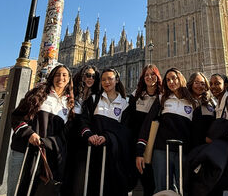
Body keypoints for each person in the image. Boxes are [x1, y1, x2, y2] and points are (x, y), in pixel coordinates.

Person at [9, 65, 74, 196]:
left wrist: (49, 143)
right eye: (57, 74)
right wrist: (30, 133)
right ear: (52, 77)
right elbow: (16, 117)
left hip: (46, 155)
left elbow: (64, 134)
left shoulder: (69, 104)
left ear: (69, 79)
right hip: (24, 149)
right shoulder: (39, 93)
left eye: (64, 75)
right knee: (16, 189)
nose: (60, 78)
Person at [136, 67, 197, 193]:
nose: (171, 82)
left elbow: (196, 131)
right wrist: (140, 151)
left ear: (180, 78)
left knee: (183, 188)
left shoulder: (192, 102)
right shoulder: (162, 99)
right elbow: (147, 125)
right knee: (162, 189)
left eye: (173, 78)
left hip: (183, 152)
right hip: (162, 151)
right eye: (168, 80)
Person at [80, 68, 133, 196]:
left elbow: (126, 130)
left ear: (117, 80)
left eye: (110, 78)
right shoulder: (94, 100)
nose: (106, 82)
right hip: (93, 151)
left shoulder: (125, 104)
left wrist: (108, 137)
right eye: (103, 79)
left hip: (114, 154)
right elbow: (83, 120)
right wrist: (89, 134)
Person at [62, 65, 100, 196]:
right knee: (66, 169)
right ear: (81, 76)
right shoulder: (73, 94)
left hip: (84, 138)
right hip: (68, 136)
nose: (90, 78)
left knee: (81, 173)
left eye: (93, 76)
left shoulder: (96, 97)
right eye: (88, 75)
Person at [128, 64, 162, 196]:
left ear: (157, 76)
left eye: (152, 74)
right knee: (131, 180)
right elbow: (128, 122)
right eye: (146, 75)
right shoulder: (135, 96)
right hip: (136, 144)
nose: (149, 77)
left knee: (150, 183)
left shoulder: (162, 98)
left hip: (154, 146)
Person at [186, 72, 215, 149]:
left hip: (209, 146)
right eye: (196, 83)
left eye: (202, 83)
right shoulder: (185, 101)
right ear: (191, 84)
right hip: (190, 147)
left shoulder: (211, 102)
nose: (199, 86)